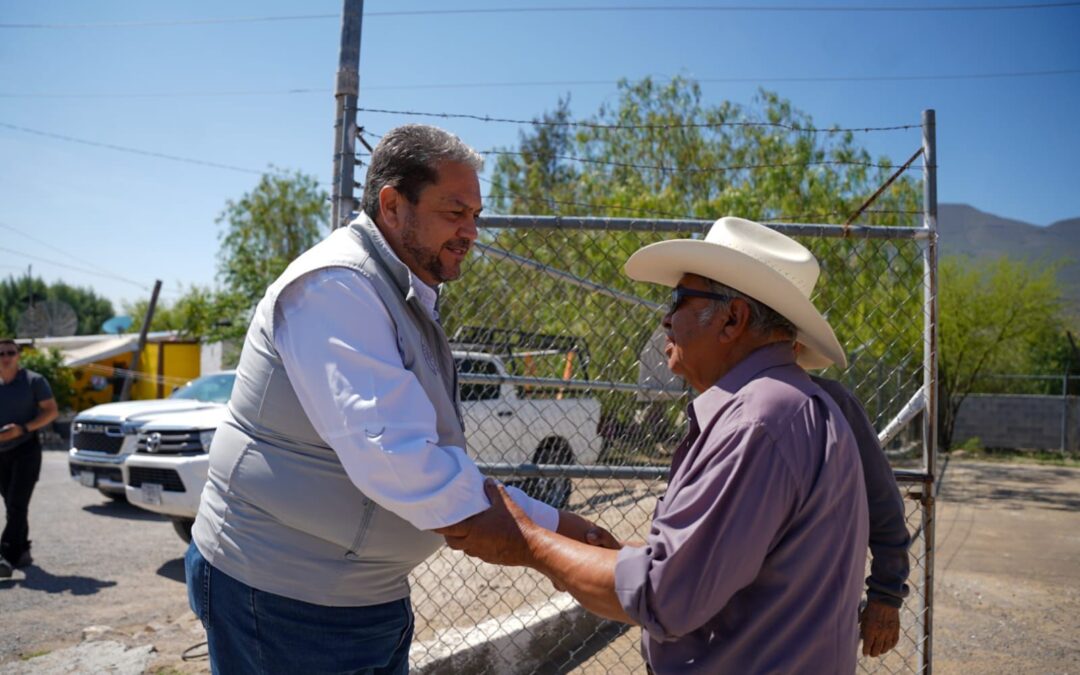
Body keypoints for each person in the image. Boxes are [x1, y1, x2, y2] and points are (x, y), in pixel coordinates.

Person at [185, 124, 609, 675]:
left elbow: (429, 454)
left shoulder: (399, 288)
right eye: (455, 212)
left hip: (357, 596)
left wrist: (558, 526)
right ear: (392, 205)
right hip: (286, 601)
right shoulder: (337, 286)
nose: (471, 232)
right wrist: (546, 543)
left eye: (476, 216)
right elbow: (399, 457)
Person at [442, 216, 870, 674]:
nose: (666, 317)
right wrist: (616, 556)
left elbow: (665, 597)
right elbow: (720, 568)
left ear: (732, 319)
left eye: (681, 299)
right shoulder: (791, 406)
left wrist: (527, 542)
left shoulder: (757, 423)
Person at [807, 372, 910, 657]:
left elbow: (883, 504)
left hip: (815, 618)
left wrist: (886, 596)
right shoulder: (714, 404)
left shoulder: (830, 401)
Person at [0, 338, 59, 578]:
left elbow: (51, 411)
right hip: (0, 453)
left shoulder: (34, 381)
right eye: (1, 353)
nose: (6, 357)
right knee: (12, 504)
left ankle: (4, 555)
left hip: (26, 449)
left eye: (10, 352)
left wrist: (23, 429)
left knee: (17, 504)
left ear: (19, 355)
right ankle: (21, 551)